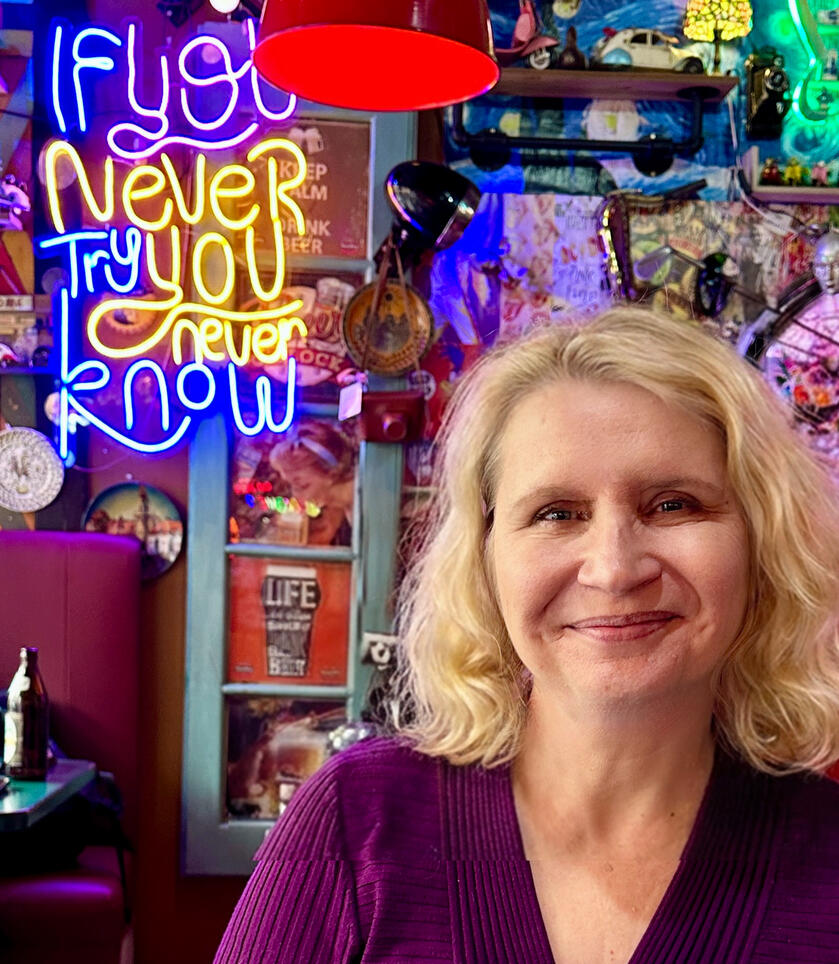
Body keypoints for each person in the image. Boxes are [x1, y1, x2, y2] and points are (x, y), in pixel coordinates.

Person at [214, 306, 839, 963]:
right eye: (556, 513)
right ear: (484, 561)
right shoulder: (355, 822)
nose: (613, 569)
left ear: (760, 543)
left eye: (672, 504)